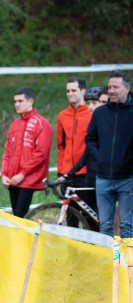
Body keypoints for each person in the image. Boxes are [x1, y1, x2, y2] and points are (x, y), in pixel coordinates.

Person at [84, 70, 133, 237]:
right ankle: (108, 262)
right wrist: (100, 158)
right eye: (109, 87)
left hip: (128, 179)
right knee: (105, 226)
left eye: (115, 87)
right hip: (103, 178)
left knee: (127, 226)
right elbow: (90, 139)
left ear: (127, 88)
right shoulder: (100, 113)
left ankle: (128, 263)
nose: (111, 90)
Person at [0, 87, 52, 218]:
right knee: (16, 216)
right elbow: (7, 152)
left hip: (28, 178)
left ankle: (26, 238)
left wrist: (22, 174)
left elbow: (41, 153)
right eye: (15, 101)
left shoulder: (41, 123)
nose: (17, 104)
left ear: (30, 101)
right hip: (12, 179)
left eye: (20, 101)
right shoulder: (14, 125)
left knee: (21, 217)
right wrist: (4, 174)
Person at [54, 77, 93, 226]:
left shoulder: (91, 113)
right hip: (68, 173)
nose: (70, 94)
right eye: (68, 91)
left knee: (89, 214)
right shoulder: (62, 116)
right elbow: (61, 145)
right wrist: (61, 170)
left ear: (83, 91)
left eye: (74, 90)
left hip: (86, 172)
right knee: (71, 215)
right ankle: (72, 248)